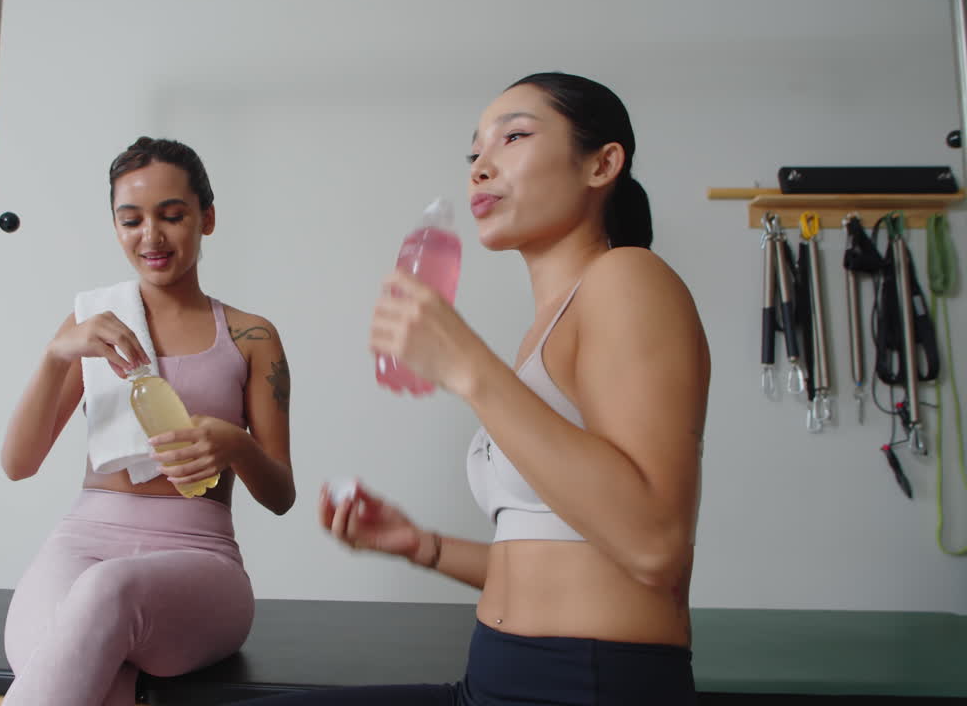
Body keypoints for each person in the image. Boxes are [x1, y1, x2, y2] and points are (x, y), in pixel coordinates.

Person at [240, 72, 710, 705]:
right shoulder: (543, 333)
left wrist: (467, 366)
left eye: (513, 136)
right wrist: (420, 545)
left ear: (603, 164)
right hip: (493, 679)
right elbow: (559, 558)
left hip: (584, 686)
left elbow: (654, 546)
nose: (481, 167)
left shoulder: (629, 277)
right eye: (474, 153)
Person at [0, 137, 295, 706]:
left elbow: (280, 493)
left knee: (104, 595)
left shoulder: (251, 337)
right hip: (80, 544)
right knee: (80, 667)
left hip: (200, 559)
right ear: (115, 225)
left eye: (172, 216)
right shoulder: (91, 324)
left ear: (206, 218)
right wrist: (56, 354)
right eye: (130, 220)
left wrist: (234, 443)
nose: (151, 238)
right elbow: (18, 463)